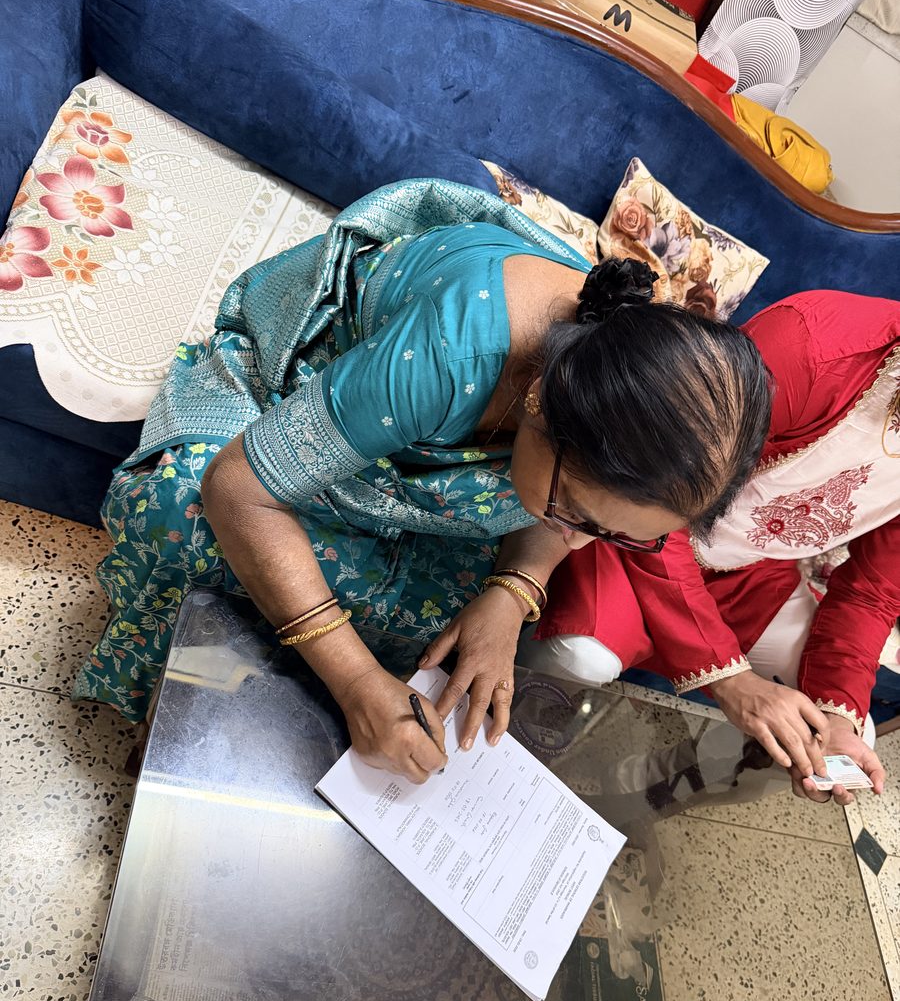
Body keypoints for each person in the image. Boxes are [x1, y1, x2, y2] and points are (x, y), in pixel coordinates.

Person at [74, 178, 774, 785]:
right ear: (538, 406)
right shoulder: (450, 356)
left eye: (617, 537)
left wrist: (514, 590)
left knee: (452, 631)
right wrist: (352, 680)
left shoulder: (589, 410)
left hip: (436, 451)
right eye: (575, 514)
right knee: (185, 520)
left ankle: (314, 730)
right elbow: (238, 489)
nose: (576, 540)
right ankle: (191, 715)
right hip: (303, 383)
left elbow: (566, 517)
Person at [525, 289, 898, 807]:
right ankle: (514, 762)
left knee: (838, 744)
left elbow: (873, 591)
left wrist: (839, 716)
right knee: (580, 657)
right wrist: (732, 679)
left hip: (753, 567)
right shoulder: (811, 349)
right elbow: (658, 490)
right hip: (638, 536)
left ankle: (642, 791)